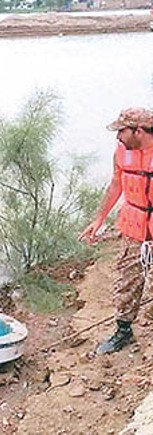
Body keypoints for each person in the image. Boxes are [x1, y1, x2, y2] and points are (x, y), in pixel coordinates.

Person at [79, 107, 153, 354]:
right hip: (134, 225)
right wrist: (99, 219)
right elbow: (115, 184)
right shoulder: (122, 152)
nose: (118, 137)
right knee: (127, 279)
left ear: (138, 131)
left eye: (121, 131)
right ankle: (123, 331)